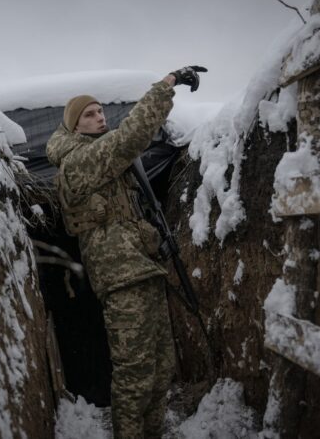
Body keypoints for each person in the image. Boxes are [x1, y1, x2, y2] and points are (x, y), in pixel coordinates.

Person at [46, 66, 207, 438]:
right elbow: (130, 138)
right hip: (120, 277)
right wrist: (167, 85)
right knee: (134, 373)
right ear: (73, 126)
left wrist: (151, 239)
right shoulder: (79, 161)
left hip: (144, 269)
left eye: (101, 111)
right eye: (89, 114)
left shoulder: (107, 162)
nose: (100, 117)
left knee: (162, 367)